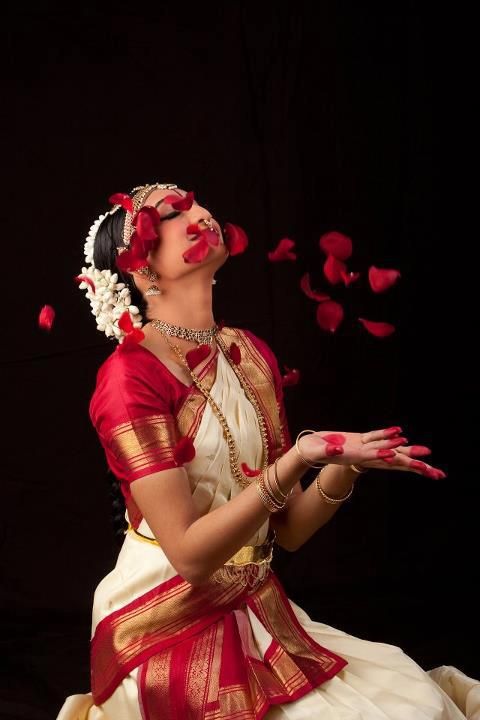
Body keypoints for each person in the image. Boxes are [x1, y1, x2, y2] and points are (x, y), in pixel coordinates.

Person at [56, 183, 478, 719]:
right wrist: (298, 458)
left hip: (256, 604)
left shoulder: (249, 354)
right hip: (165, 618)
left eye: (195, 202)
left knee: (415, 702)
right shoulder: (129, 378)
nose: (200, 212)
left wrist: (340, 466)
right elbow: (188, 556)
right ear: (139, 269)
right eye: (170, 214)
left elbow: (290, 531)